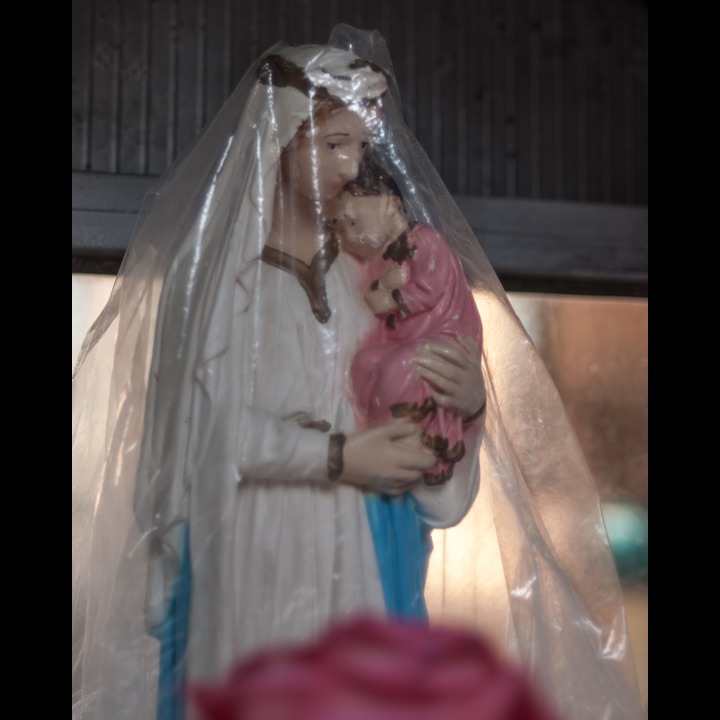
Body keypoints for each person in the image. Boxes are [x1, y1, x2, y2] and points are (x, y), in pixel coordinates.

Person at [72, 24, 645, 720]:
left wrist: (461, 410)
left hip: (366, 562)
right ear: (278, 143)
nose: (351, 166)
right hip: (256, 558)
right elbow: (195, 443)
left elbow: (437, 493)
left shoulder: (375, 279)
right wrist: (338, 455)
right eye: (331, 144)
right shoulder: (219, 280)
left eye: (360, 147)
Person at [330, 159, 485, 487]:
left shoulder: (424, 240)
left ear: (391, 205)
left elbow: (427, 290)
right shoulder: (377, 260)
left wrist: (390, 295)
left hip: (444, 336)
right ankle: (379, 426)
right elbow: (373, 298)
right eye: (339, 228)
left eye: (353, 223)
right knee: (364, 362)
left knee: (398, 368)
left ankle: (398, 442)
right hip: (407, 341)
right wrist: (383, 289)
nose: (347, 235)